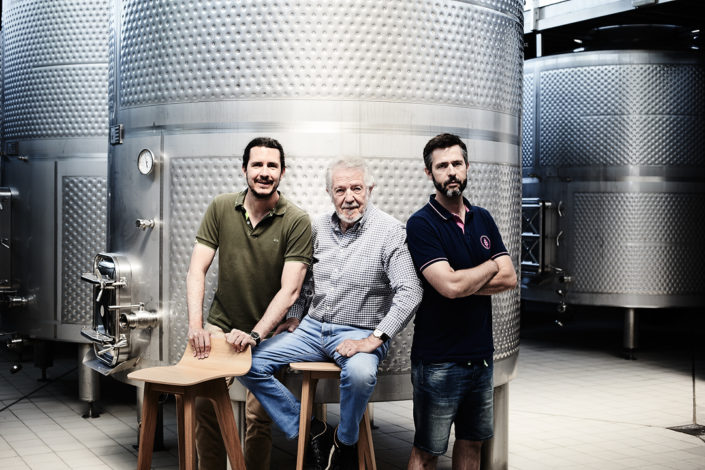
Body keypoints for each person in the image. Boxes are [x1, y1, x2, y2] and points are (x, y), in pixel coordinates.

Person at [237, 156, 423, 470]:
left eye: (356, 188)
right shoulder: (317, 228)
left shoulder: (390, 231)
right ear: (329, 192)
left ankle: (345, 443)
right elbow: (304, 282)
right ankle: (310, 430)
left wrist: (375, 339)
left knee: (360, 374)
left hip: (359, 332)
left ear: (370, 189)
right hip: (312, 329)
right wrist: (295, 315)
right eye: (340, 190)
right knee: (248, 363)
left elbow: (411, 291)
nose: (349, 197)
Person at [186, 136, 313, 470]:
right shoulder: (221, 207)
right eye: (257, 164)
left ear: (282, 172)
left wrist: (256, 334)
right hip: (222, 323)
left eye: (272, 165)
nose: (264, 172)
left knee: (259, 417)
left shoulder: (296, 221)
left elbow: (290, 290)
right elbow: (197, 269)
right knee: (205, 404)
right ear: (245, 169)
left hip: (266, 333)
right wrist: (197, 327)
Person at [405, 133, 517, 470]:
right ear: (429, 173)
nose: (451, 171)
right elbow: (450, 286)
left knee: (472, 445)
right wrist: (487, 266)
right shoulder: (421, 224)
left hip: (480, 357)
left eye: (456, 163)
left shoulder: (483, 218)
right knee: (427, 452)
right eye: (442, 166)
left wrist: (462, 281)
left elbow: (509, 277)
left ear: (467, 167)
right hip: (438, 361)